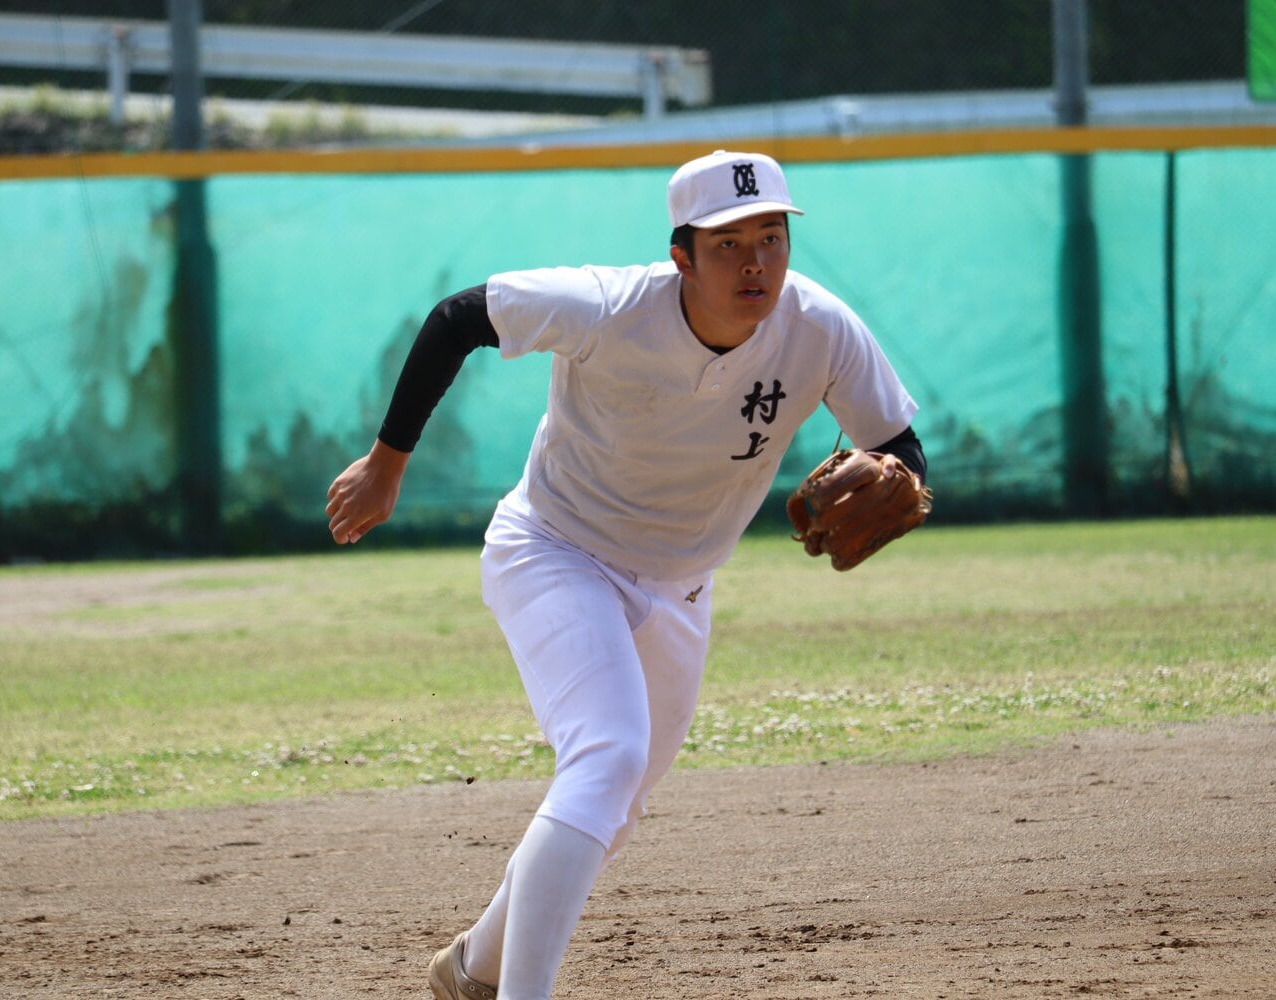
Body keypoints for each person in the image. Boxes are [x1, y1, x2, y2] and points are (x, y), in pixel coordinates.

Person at [324, 149, 928, 1000]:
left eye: (771, 237)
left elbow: (898, 443)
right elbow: (459, 316)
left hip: (683, 584)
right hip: (556, 550)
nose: (756, 262)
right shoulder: (607, 307)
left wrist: (904, 476)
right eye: (728, 244)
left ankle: (470, 969)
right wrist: (388, 462)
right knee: (606, 758)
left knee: (616, 799)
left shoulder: (819, 327)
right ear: (681, 254)